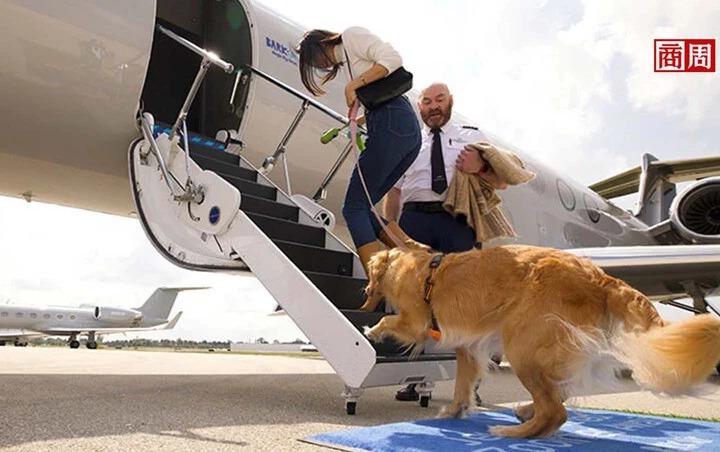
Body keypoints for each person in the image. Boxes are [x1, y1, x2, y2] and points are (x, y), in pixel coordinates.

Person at [384, 82, 502, 401]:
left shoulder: (471, 134)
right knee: (413, 301)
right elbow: (393, 192)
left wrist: (480, 166)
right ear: (419, 107)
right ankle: (413, 378)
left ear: (450, 102)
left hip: (457, 221)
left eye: (439, 100)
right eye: (427, 101)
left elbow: (499, 176)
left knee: (465, 302)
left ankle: (469, 384)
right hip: (414, 220)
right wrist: (391, 233)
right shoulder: (407, 142)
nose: (433, 106)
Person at [295, 27, 423, 273]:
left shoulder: (351, 36)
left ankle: (378, 285)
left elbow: (393, 59)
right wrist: (358, 118)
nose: (319, 65)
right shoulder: (350, 62)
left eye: (314, 58)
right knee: (364, 209)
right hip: (402, 129)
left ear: (321, 44)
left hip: (392, 124)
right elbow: (381, 98)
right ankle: (419, 256)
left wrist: (353, 86)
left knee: (353, 208)